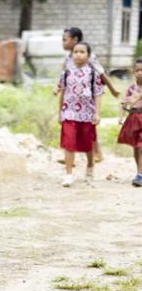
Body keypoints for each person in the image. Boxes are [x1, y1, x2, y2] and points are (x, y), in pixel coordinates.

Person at [59, 27, 119, 162]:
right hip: (72, 97)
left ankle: (97, 154)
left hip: (87, 95)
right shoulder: (68, 58)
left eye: (65, 40)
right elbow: (64, 76)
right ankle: (70, 157)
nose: (62, 42)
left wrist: (112, 89)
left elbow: (101, 72)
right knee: (71, 125)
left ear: (74, 40)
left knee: (87, 127)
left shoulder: (89, 56)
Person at [57, 41, 104, 187]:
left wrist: (97, 113)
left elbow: (98, 94)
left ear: (88, 55)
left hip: (87, 113)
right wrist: (60, 112)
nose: (78, 54)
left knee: (87, 143)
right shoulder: (66, 73)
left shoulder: (93, 75)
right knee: (69, 143)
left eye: (82, 52)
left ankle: (90, 167)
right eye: (75, 52)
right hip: (69, 113)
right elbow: (62, 93)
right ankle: (68, 174)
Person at [116, 57, 142, 187]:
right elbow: (124, 102)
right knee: (136, 147)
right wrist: (121, 116)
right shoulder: (131, 88)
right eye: (137, 70)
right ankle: (139, 171)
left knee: (141, 146)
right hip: (134, 118)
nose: (140, 73)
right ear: (133, 72)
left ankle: (140, 175)